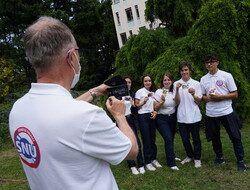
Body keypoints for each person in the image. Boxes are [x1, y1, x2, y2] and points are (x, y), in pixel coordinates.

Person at [8, 16, 138, 190]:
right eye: (77, 51)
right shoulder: (86, 116)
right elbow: (131, 151)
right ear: (71, 57)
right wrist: (120, 116)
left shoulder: (18, 110)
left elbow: (59, 116)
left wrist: (95, 91)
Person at [200, 53, 246, 171]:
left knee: (235, 136)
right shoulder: (203, 79)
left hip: (226, 111)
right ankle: (219, 157)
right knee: (215, 137)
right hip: (211, 113)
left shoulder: (226, 76)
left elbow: (235, 94)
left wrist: (221, 97)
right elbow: (202, 97)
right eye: (207, 62)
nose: (209, 64)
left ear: (217, 62)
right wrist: (209, 98)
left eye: (212, 61)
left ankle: (240, 160)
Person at [173, 61, 202, 168]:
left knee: (196, 138)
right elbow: (176, 102)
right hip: (182, 116)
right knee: (185, 139)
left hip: (194, 115)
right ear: (180, 72)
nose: (184, 72)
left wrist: (193, 93)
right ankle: (190, 155)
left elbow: (199, 101)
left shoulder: (196, 83)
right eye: (182, 70)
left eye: (186, 70)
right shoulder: (176, 84)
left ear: (190, 70)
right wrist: (176, 89)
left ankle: (197, 158)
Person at [135, 74, 162, 171]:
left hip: (151, 115)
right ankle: (147, 162)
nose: (148, 82)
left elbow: (154, 105)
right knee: (146, 140)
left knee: (152, 139)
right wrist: (144, 102)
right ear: (143, 82)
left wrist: (155, 112)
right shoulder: (140, 92)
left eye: (149, 81)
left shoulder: (152, 93)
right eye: (146, 81)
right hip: (143, 117)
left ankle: (153, 159)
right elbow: (136, 105)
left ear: (151, 82)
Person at [154, 72, 180, 171]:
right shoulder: (158, 92)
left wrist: (177, 90)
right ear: (162, 82)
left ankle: (172, 155)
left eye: (169, 80)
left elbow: (178, 102)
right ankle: (171, 163)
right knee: (168, 138)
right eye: (165, 80)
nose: (167, 81)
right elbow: (155, 108)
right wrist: (162, 101)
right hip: (161, 119)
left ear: (172, 81)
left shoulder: (174, 91)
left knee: (171, 138)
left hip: (172, 117)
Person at [123, 76, 145, 174]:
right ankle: (132, 165)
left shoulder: (132, 95)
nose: (128, 84)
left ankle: (141, 164)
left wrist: (133, 105)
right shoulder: (118, 96)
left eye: (129, 82)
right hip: (122, 120)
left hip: (131, 119)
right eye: (126, 82)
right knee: (127, 143)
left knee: (136, 142)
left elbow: (135, 111)